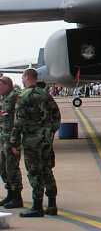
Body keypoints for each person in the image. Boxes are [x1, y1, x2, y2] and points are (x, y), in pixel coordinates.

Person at [9, 68, 61, 218]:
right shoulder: (45, 94)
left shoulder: (23, 96)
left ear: (26, 77)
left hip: (32, 140)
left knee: (34, 171)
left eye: (23, 78)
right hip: (45, 139)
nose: (22, 81)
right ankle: (52, 204)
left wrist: (14, 143)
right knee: (47, 170)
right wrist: (49, 132)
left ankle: (37, 206)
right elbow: (56, 115)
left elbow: (18, 122)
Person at [0, 76, 23, 209]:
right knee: (3, 168)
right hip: (3, 138)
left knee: (12, 168)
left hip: (12, 139)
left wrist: (15, 143)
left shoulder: (15, 97)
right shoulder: (4, 97)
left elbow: (18, 120)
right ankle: (9, 194)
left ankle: (17, 197)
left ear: (7, 85)